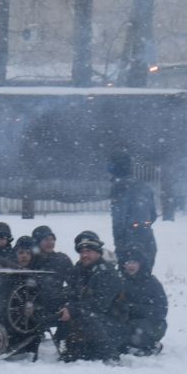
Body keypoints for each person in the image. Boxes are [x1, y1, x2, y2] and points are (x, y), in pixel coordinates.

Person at [57, 230, 126, 362]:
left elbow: (100, 304)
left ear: (98, 252)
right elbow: (73, 292)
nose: (84, 255)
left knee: (88, 316)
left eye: (88, 251)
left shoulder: (107, 274)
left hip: (112, 323)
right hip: (92, 321)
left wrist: (73, 310)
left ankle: (110, 355)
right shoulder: (80, 270)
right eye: (82, 252)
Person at [108, 153, 159, 272]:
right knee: (144, 276)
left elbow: (119, 220)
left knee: (130, 277)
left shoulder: (120, 187)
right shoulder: (144, 187)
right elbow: (153, 215)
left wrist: (121, 241)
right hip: (147, 238)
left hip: (129, 240)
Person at [118, 248, 168, 356]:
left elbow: (161, 310)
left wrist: (132, 308)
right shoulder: (120, 282)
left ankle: (150, 346)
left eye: (134, 262)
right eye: (128, 262)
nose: (130, 266)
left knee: (137, 328)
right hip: (128, 322)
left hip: (153, 325)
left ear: (141, 264)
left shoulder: (152, 283)